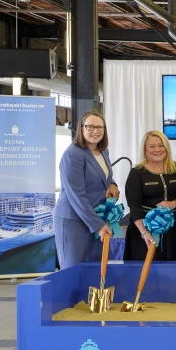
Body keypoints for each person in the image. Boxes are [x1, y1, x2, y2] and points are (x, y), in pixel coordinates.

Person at [53, 111, 120, 269]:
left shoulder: (103, 151)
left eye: (99, 127)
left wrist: (113, 184)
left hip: (97, 217)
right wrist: (98, 225)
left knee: (95, 269)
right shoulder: (72, 155)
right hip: (74, 221)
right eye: (90, 127)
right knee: (73, 270)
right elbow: (76, 195)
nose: (95, 131)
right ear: (81, 129)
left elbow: (104, 176)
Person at [123, 130, 176, 262]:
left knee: (171, 268)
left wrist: (174, 203)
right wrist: (144, 233)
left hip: (172, 229)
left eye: (161, 145)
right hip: (144, 230)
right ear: (144, 149)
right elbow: (134, 205)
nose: (157, 150)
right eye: (152, 146)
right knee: (145, 269)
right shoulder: (137, 172)